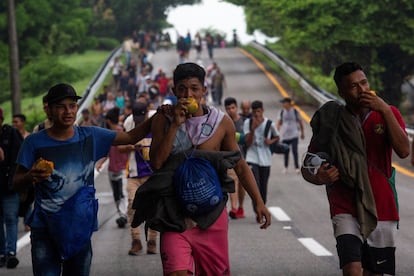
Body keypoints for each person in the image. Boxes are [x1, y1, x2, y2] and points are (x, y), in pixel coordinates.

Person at [12, 83, 153, 276]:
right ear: (49, 110)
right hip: (45, 229)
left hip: (80, 227)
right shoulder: (34, 142)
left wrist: (159, 117)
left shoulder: (91, 136)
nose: (68, 111)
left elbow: (129, 136)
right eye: (61, 106)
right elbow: (16, 181)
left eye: (72, 105)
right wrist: (30, 176)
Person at [147, 63, 271, 275]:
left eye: (195, 88)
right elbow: (157, 163)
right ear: (174, 91)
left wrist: (259, 203)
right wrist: (175, 124)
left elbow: (240, 166)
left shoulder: (221, 123)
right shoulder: (163, 119)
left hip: (211, 216)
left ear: (204, 90)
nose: (188, 94)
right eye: (182, 89)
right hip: (173, 216)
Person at [301, 62, 410, 276]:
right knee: (352, 269)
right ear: (341, 92)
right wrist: (319, 177)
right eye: (353, 86)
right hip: (344, 206)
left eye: (364, 83)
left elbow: (404, 151)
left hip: (382, 206)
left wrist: (385, 110)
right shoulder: (332, 121)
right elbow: (308, 165)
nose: (361, 90)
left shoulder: (388, 114)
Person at [122, 102, 158, 255]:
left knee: (153, 208)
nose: (138, 121)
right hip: (133, 174)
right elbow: (119, 146)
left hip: (152, 174)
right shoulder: (129, 124)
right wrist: (131, 147)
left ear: (146, 115)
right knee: (132, 205)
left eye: (140, 118)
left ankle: (152, 241)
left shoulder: (156, 124)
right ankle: (136, 241)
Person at [97, 107, 129, 228]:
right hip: (112, 169)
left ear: (108, 121)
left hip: (122, 168)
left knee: (122, 193)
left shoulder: (121, 132)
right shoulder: (108, 135)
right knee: (116, 194)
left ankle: (123, 215)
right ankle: (121, 213)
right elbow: (107, 152)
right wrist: (100, 163)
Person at [0, 107, 23, 269]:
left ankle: (11, 252)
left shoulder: (11, 134)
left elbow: (20, 157)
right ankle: (2, 253)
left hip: (9, 185)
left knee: (10, 219)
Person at [244, 100, 280, 204]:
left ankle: (262, 205)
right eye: (254, 112)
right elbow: (247, 143)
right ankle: (257, 207)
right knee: (256, 184)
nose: (256, 114)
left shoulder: (269, 124)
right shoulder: (248, 123)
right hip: (252, 156)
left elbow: (277, 137)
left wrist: (270, 141)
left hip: (265, 158)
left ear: (262, 110)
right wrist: (252, 130)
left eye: (258, 111)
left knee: (264, 185)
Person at [224, 97, 246, 219]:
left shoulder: (244, 122)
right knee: (233, 181)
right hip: (231, 159)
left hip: (244, 158)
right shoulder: (225, 122)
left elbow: (248, 139)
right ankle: (233, 207)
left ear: (236, 108)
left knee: (243, 186)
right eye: (228, 108)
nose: (230, 110)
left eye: (232, 108)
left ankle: (240, 206)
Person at [276, 97, 305, 174]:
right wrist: (277, 133)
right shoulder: (281, 112)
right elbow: (279, 123)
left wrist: (302, 133)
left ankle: (297, 167)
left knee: (295, 151)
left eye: (284, 103)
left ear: (288, 103)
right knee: (286, 151)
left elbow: (300, 122)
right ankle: (285, 167)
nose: (282, 104)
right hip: (285, 135)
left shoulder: (295, 111)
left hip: (294, 134)